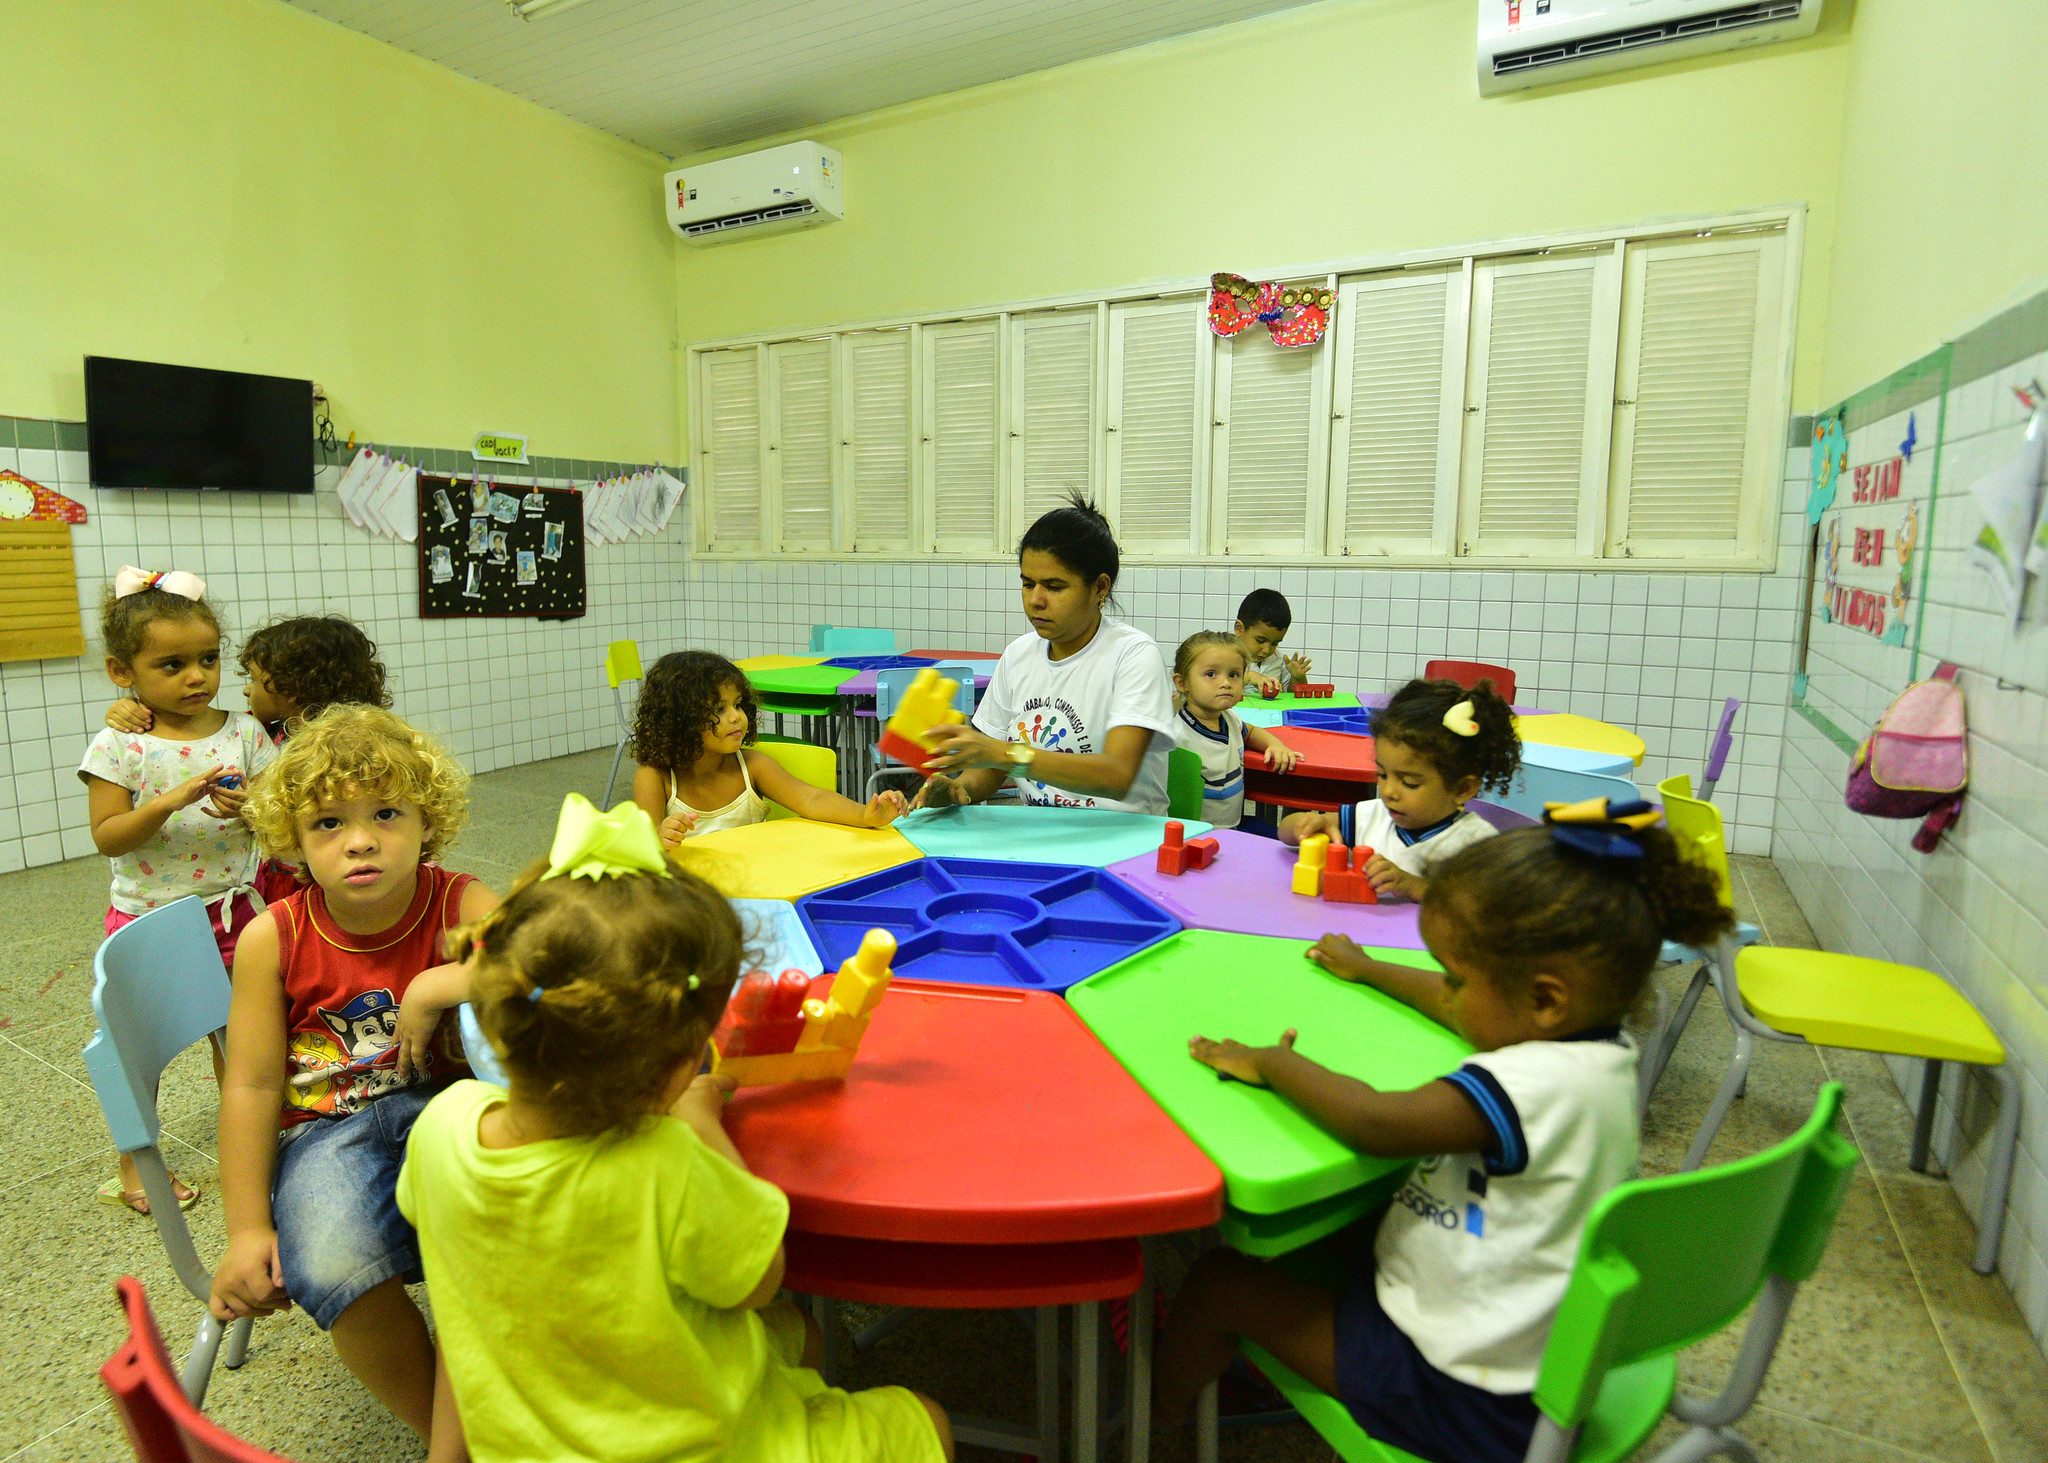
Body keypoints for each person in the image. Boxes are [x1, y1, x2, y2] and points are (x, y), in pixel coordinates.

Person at [1155, 804, 1734, 1463]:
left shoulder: (1529, 1085)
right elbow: (1460, 1002)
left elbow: (1375, 1121)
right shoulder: (1594, 1050)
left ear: (1545, 999)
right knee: (1334, 1232)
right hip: (1509, 1351)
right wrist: (1369, 966)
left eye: (1459, 978)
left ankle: (1156, 1421)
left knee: (1220, 1281)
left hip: (1464, 1397)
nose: (1447, 992)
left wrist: (1272, 1060)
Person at [398, 795, 954, 1463]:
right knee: (922, 1417)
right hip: (700, 1446)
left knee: (797, 1337)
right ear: (673, 1070)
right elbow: (759, 1278)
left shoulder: (441, 1125)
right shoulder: (668, 1162)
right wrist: (698, 1119)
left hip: (532, 1438)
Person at [209, 705, 496, 1463]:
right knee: (331, 1264)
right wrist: (245, 1228)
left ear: (428, 821)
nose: (361, 838)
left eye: (386, 813)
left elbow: (541, 965)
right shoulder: (275, 935)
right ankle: (467, 1437)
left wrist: (440, 983)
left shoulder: (459, 901)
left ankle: (473, 1434)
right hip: (326, 1129)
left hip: (453, 1104)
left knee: (513, 1224)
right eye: (328, 823)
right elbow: (250, 1084)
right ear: (295, 842)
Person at [79, 567, 276, 1215]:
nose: (197, 676)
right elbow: (109, 835)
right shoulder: (120, 743)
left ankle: (249, 1150)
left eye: (208, 659)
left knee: (241, 1041)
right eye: (173, 664)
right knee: (143, 1054)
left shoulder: (245, 732)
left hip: (235, 917)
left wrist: (252, 808)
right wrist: (167, 800)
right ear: (122, 670)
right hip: (151, 923)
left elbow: (281, 811)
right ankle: (133, 1165)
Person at [105, 613, 394, 903]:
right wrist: (131, 705)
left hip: (341, 875)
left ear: (291, 689)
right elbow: (199, 733)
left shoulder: (359, 750)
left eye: (254, 680)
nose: (246, 690)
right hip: (279, 877)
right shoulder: (264, 733)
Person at [916, 495, 1176, 815]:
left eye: (1054, 587)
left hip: (1124, 842)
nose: (1035, 600)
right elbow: (992, 769)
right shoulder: (1018, 656)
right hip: (1041, 836)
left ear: (1099, 588)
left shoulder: (1133, 655)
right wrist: (960, 788)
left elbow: (1116, 777)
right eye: (1028, 584)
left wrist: (1004, 754)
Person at [1281, 677, 1519, 903]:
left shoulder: (1476, 843)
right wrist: (1305, 824)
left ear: (1462, 788)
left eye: (1410, 783)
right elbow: (1285, 834)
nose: (1389, 792)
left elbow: (1482, 904)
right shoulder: (1374, 815)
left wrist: (1413, 885)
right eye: (1383, 775)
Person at [630, 649, 906, 844]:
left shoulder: (752, 766)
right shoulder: (654, 777)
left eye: (737, 704)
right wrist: (660, 836)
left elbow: (811, 799)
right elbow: (643, 844)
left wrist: (864, 814)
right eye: (719, 708)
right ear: (680, 719)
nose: (737, 716)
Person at [1170, 631, 1300, 828]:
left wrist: (1275, 744)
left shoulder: (1230, 719)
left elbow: (1252, 732)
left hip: (1235, 827)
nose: (1225, 683)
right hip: (1197, 837)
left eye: (1234, 675)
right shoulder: (1177, 737)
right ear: (1182, 683)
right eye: (1211, 674)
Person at [1235, 589, 1311, 697]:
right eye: (1260, 640)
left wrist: (1297, 678)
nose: (1267, 650)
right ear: (1239, 629)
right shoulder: (1225, 654)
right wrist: (1250, 677)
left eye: (1274, 643)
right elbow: (1217, 682)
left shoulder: (1278, 658)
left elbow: (1291, 696)